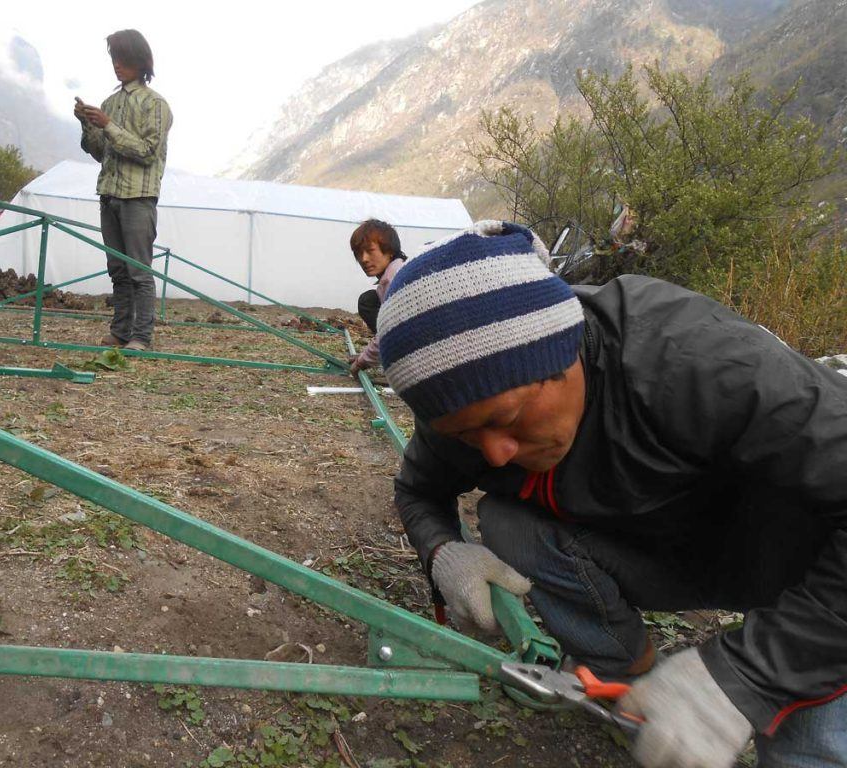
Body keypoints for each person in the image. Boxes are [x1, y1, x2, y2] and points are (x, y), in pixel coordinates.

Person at [377, 220, 847, 768]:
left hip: (801, 557)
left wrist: (746, 674)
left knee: (808, 743)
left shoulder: (694, 360)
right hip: (674, 545)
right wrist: (443, 550)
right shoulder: (462, 411)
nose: (496, 453)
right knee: (508, 522)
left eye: (506, 419)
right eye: (464, 434)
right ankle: (625, 679)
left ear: (561, 355)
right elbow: (417, 489)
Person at [76, 29, 173, 352]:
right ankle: (120, 330)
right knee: (117, 269)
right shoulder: (110, 103)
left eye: (124, 59)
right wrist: (87, 124)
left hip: (138, 196)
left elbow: (147, 151)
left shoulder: (155, 104)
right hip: (110, 193)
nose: (117, 65)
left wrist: (107, 125)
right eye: (114, 59)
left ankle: (141, 336)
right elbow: (99, 151)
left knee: (139, 270)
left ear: (140, 61)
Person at [347, 219, 406, 376]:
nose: (364, 259)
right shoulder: (395, 270)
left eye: (370, 251)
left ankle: (400, 362)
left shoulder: (395, 278)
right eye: (359, 253)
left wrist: (362, 361)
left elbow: (389, 329)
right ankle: (393, 356)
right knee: (369, 300)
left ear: (389, 251)